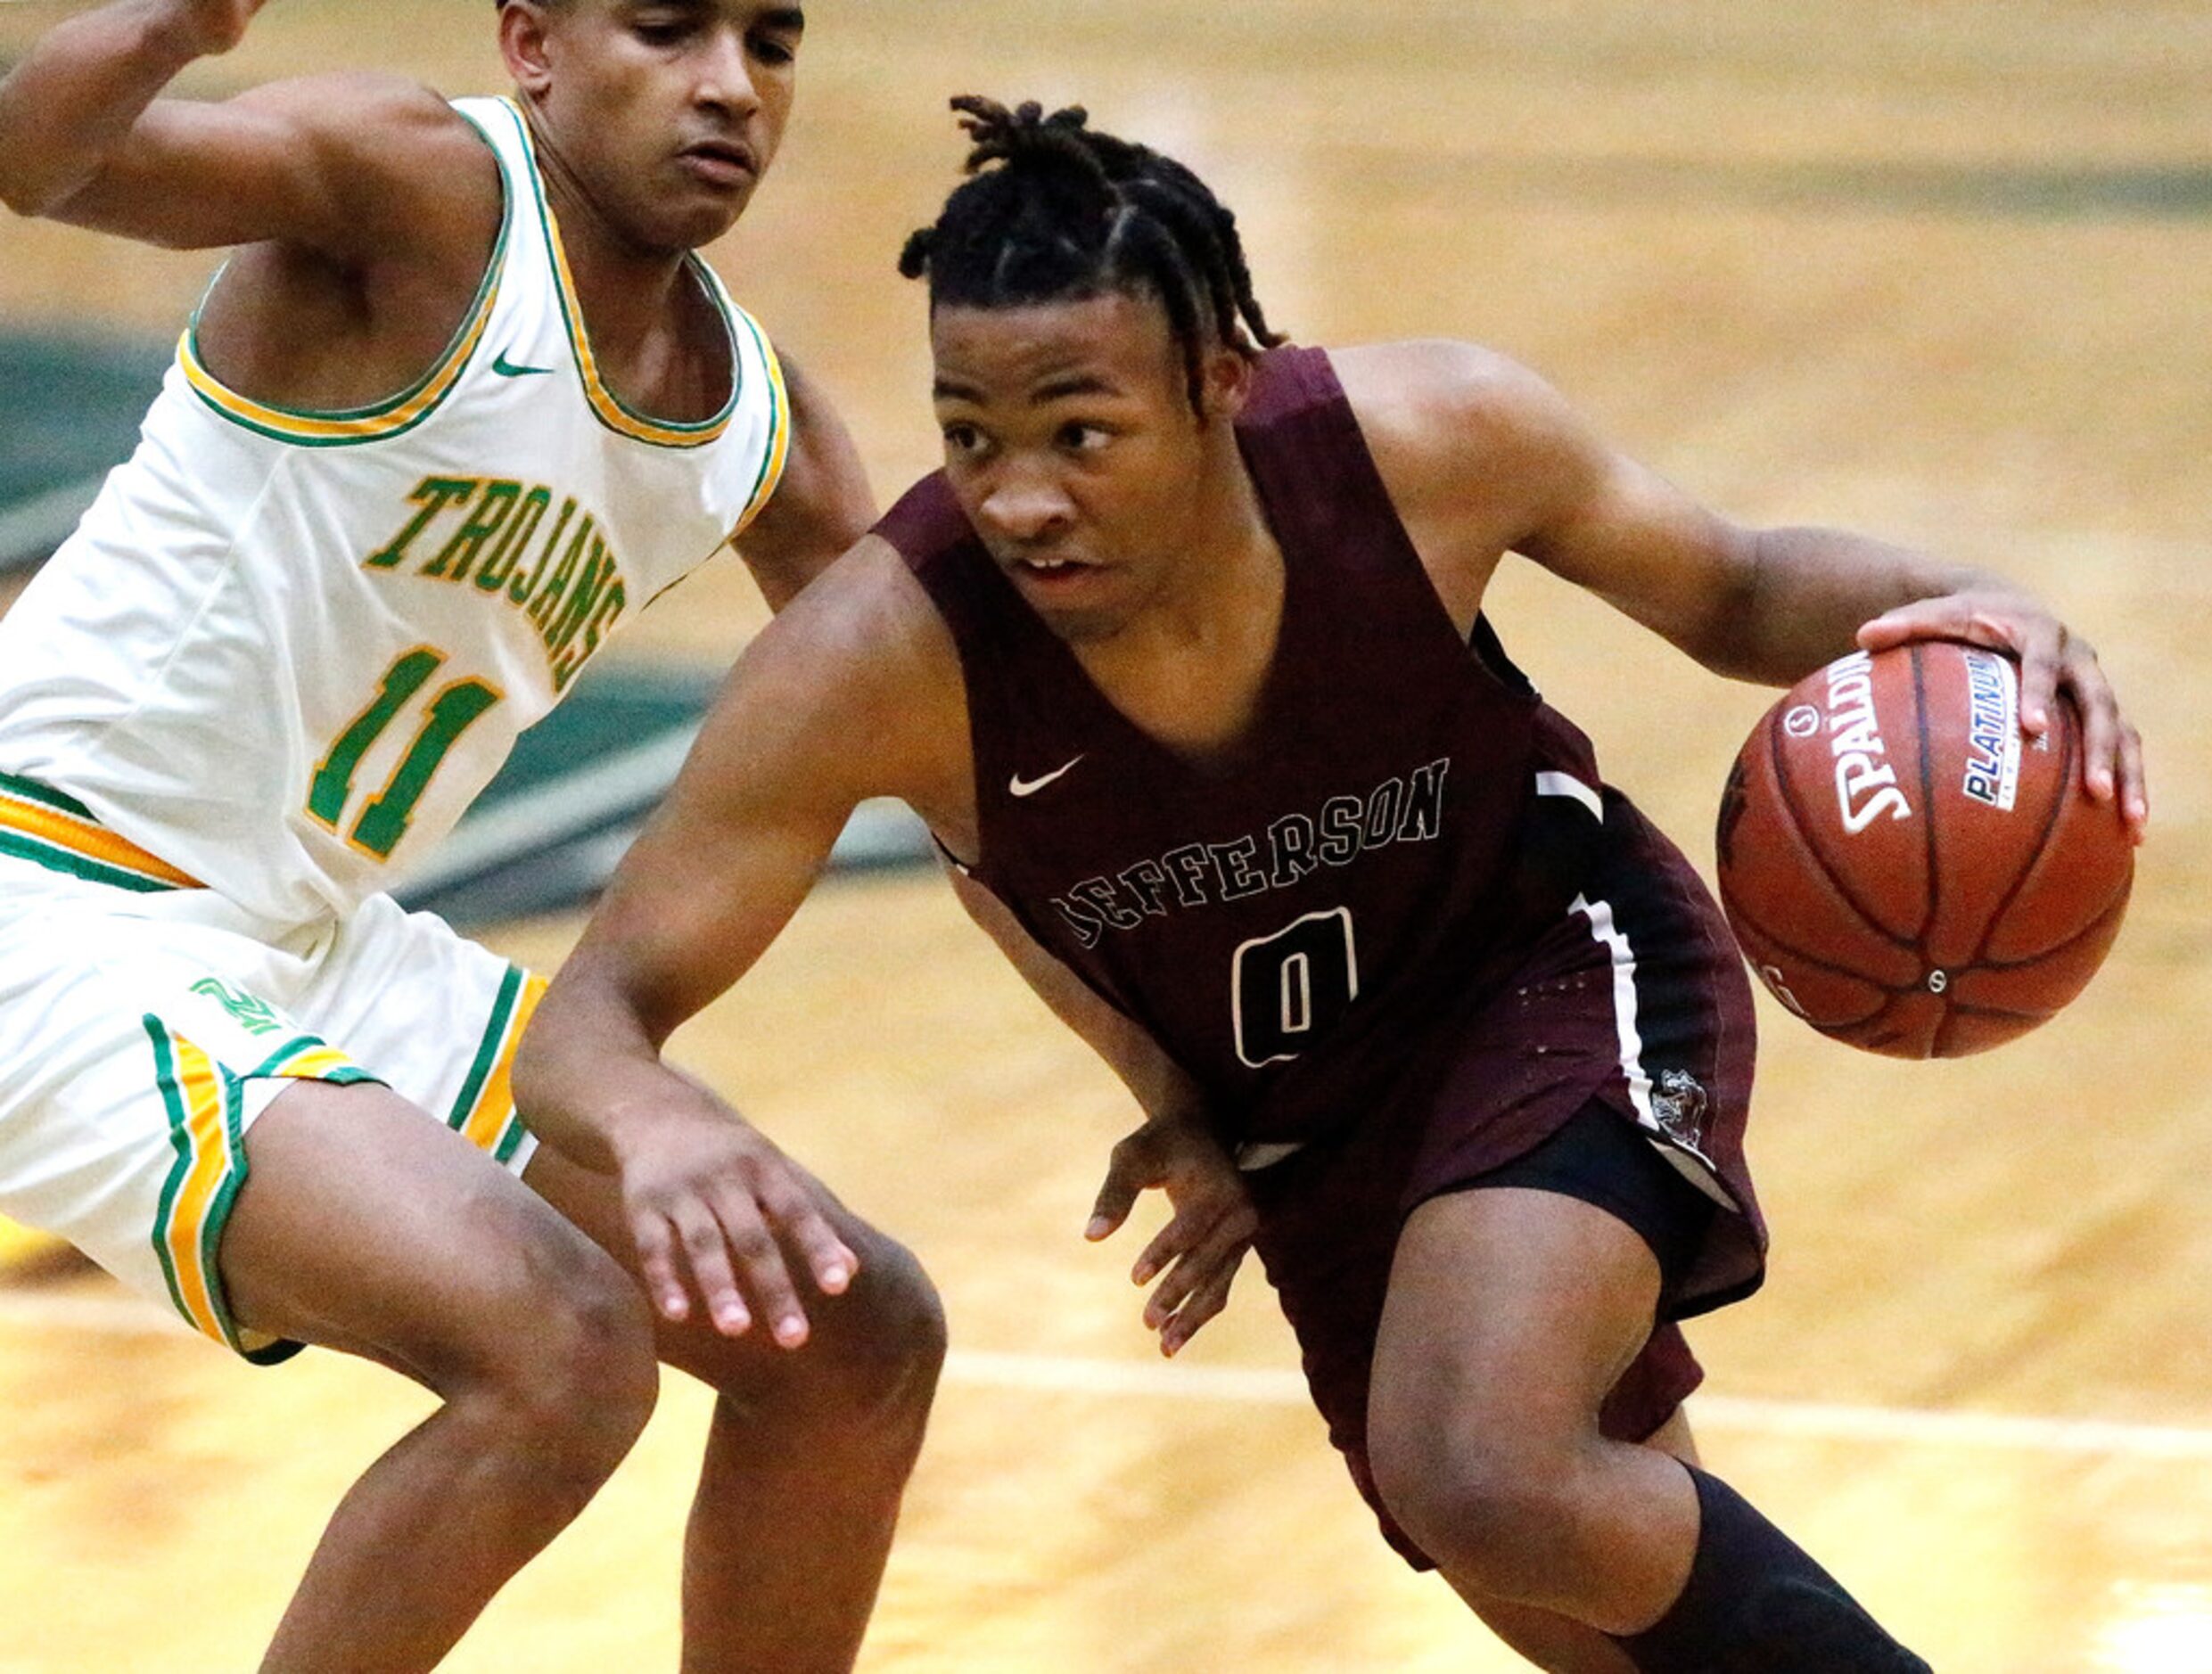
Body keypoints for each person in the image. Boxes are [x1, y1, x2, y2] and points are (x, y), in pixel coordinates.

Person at [514, 97, 2149, 1673]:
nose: (1018, 497)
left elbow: (1729, 585)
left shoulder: (1425, 442)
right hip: (1302, 1114)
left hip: (1551, 960)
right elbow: (603, 1009)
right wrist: (663, 1121)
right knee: (1587, 1597)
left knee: (1481, 1460)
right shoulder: (877, 658)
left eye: (1081, 432)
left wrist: (1975, 603)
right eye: (969, 435)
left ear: (1224, 379)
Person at [0, 4, 948, 1670]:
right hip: (62, 892)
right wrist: (174, 23)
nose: (728, 82)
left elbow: (951, 759)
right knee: (560, 1345)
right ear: (530, 46)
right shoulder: (412, 183)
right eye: (665, 28)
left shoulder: (758, 423)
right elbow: (32, 158)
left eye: (770, 42)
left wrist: (1195, 1088)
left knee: (850, 1332)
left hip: (315, 940)